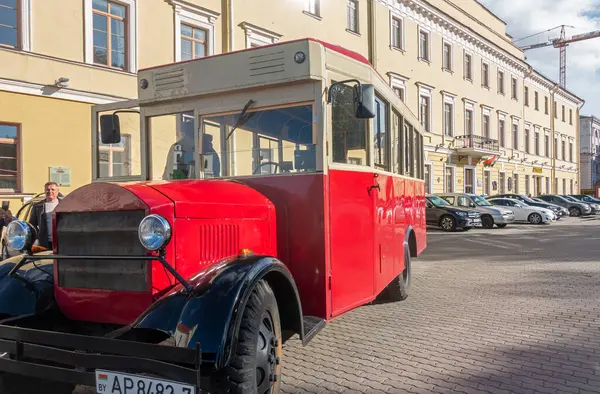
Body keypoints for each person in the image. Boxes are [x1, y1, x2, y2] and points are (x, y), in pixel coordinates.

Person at [29, 181, 63, 249]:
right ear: (44, 191)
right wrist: (38, 236)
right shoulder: (38, 206)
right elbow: (32, 224)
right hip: (45, 243)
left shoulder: (64, 204)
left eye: (52, 189)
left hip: (62, 241)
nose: (50, 191)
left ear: (57, 191)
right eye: (47, 189)